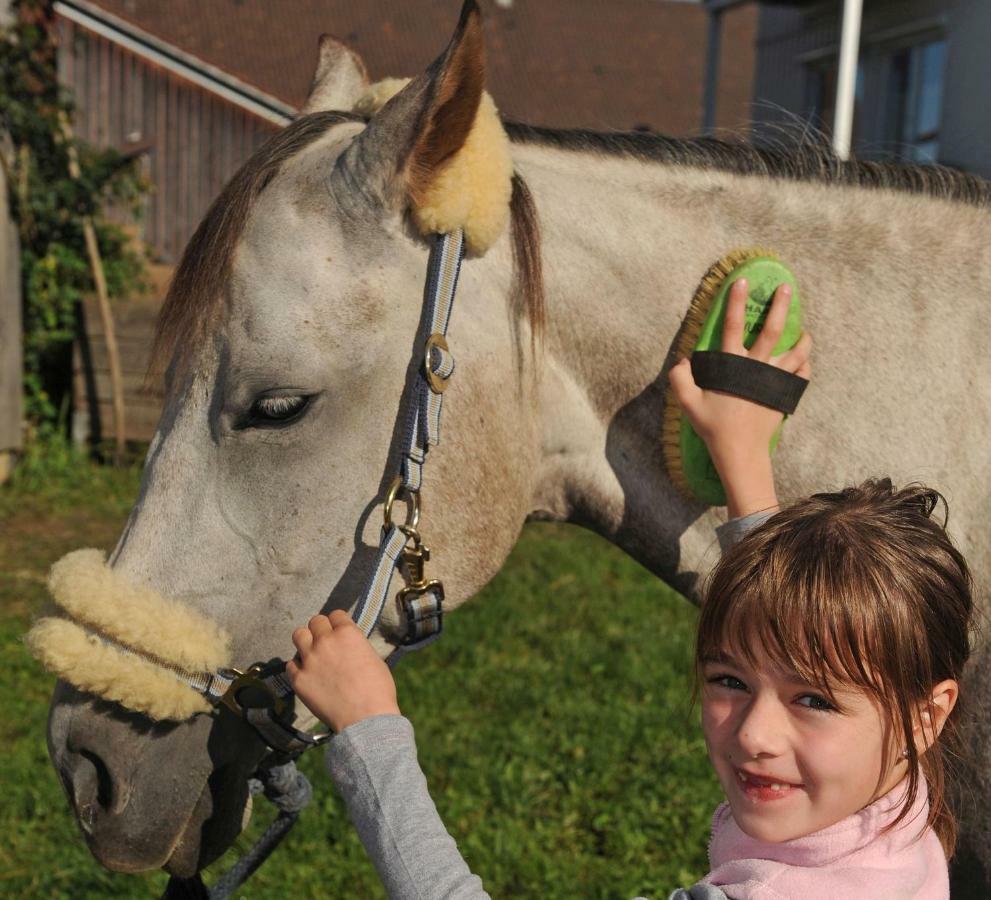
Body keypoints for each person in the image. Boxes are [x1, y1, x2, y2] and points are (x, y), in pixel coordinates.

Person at [287, 280, 972, 899]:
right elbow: (796, 636)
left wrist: (370, 732)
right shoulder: (894, 821)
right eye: (730, 680)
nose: (755, 734)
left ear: (926, 714)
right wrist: (742, 462)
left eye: (813, 699)